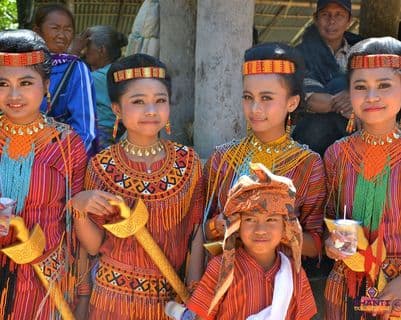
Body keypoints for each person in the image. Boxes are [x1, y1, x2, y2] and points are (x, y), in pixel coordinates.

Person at [70, 53, 204, 320]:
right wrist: (80, 208)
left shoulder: (189, 162)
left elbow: (196, 231)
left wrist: (194, 293)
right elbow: (95, 246)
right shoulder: (101, 166)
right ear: (117, 109)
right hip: (112, 300)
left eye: (160, 101)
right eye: (138, 102)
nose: (151, 110)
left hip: (170, 301)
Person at [204, 42, 326, 261]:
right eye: (248, 97)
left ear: (292, 102)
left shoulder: (308, 164)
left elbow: (316, 245)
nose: (254, 109)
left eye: (266, 98)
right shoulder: (222, 158)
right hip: (224, 284)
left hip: (282, 285)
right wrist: (216, 226)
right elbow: (199, 230)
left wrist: (277, 229)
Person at [0, 30, 87, 319]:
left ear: (46, 85)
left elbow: (77, 225)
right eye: (3, 83)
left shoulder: (66, 144)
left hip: (46, 280)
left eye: (26, 82)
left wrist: (83, 293)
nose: (14, 95)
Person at [324, 36, 401, 320]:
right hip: (347, 290)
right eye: (360, 87)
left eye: (384, 85)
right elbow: (326, 219)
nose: (371, 97)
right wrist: (329, 245)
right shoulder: (336, 155)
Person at [185, 163, 316, 319]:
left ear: (286, 227)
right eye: (250, 219)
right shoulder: (220, 269)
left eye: (271, 219)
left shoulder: (295, 274)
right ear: (236, 225)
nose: (260, 229)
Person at [293, 0, 363, 157]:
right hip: (312, 137)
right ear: (316, 18)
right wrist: (355, 101)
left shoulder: (361, 53)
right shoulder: (300, 55)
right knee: (339, 84)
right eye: (325, 14)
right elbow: (313, 100)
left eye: (339, 15)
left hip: (355, 135)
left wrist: (352, 95)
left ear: (349, 20)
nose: (332, 21)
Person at [33, 3, 97, 153]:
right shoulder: (23, 65)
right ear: (38, 31)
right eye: (55, 28)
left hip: (54, 159)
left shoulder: (76, 69)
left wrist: (60, 166)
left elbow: (86, 130)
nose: (62, 35)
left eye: (68, 29)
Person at [70, 25, 128, 149]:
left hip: (98, 137)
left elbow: (62, 85)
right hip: (114, 135)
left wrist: (73, 52)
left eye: (87, 47)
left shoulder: (96, 79)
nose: (84, 52)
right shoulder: (118, 71)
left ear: (101, 50)